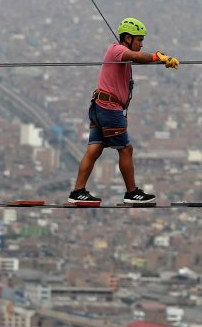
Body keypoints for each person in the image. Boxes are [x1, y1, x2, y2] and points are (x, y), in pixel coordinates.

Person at [68, 18, 179, 205]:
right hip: (109, 109)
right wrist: (157, 57)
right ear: (127, 38)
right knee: (126, 149)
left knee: (94, 149)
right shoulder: (117, 50)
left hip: (99, 107)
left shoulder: (121, 54)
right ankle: (132, 193)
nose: (141, 43)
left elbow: (138, 58)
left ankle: (77, 191)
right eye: (139, 39)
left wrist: (160, 59)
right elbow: (138, 57)